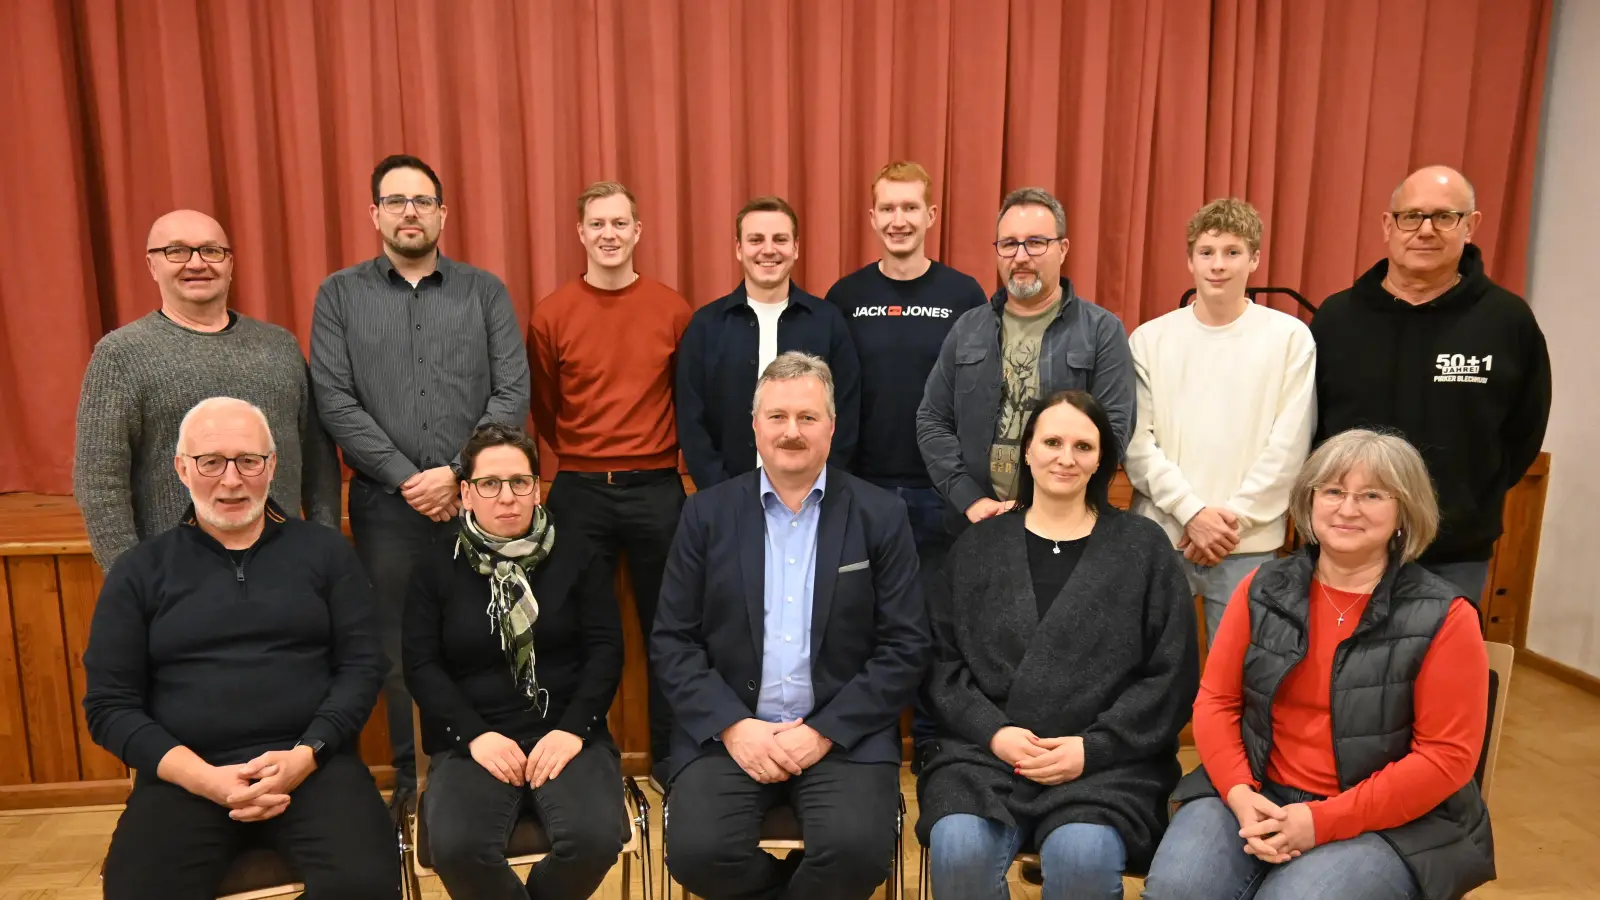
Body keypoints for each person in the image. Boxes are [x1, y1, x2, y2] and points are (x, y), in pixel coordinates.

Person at [1142, 429, 1494, 900]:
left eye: (1371, 495)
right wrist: (1240, 794)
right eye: (1333, 492)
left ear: (1403, 514)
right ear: (1310, 504)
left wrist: (1321, 821)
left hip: (1391, 822)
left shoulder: (1444, 614)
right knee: (1177, 889)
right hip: (1255, 790)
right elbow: (1216, 702)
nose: (1348, 509)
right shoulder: (1262, 587)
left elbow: (1445, 759)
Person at [83, 397, 395, 900]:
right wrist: (205, 778)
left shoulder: (326, 553)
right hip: (186, 776)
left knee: (365, 886)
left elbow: (362, 668)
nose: (231, 480)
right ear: (182, 468)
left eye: (248, 461)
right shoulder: (139, 571)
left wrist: (306, 754)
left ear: (271, 466)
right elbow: (109, 706)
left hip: (314, 766)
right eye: (211, 462)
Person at [654, 352, 930, 900]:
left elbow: (905, 644)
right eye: (777, 417)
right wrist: (735, 726)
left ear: (832, 426)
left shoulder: (880, 515)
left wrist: (823, 730)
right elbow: (672, 640)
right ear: (755, 426)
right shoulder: (705, 514)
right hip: (730, 734)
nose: (792, 432)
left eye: (807, 417)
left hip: (841, 735)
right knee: (699, 853)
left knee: (857, 853)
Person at [919, 390, 1199, 899]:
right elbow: (942, 663)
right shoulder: (978, 546)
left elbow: (1170, 673)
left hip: (1106, 767)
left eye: (1083, 446)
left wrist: (1093, 748)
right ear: (1027, 450)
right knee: (958, 848)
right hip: (985, 757)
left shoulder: (1143, 548)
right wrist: (996, 733)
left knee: (1082, 858)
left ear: (1102, 461)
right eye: (1051, 441)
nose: (1065, 458)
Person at [311, 153, 532, 797]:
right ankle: (420, 782)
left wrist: (459, 478)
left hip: (482, 503)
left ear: (441, 214)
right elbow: (334, 399)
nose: (411, 212)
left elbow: (510, 391)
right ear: (375, 212)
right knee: (405, 651)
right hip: (389, 507)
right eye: (397, 200)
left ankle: (502, 766)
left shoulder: (484, 291)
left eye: (423, 201)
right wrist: (413, 478)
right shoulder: (340, 295)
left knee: (493, 633)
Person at [1311, 165, 1550, 607]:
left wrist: (1469, 500)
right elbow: (1310, 428)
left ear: (1470, 226)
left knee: (1439, 675)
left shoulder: (1507, 321)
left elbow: (1524, 432)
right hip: (1346, 547)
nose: (1425, 230)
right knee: (1339, 674)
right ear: (1388, 225)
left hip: (1454, 555)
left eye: (1444, 217)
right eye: (1411, 216)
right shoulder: (1336, 318)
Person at [403, 423, 626, 899]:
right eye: (489, 484)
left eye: (520, 482)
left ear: (537, 489)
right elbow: (421, 665)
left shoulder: (578, 554)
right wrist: (476, 736)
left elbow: (606, 651)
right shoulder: (435, 566)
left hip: (567, 732)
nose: (507, 497)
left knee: (595, 837)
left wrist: (572, 731)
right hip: (474, 738)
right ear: (465, 493)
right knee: (457, 846)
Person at [529, 181, 693, 787]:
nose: (608, 234)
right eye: (597, 223)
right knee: (576, 629)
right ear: (580, 233)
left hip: (656, 486)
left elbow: (684, 394)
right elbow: (545, 407)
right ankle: (582, 760)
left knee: (671, 629)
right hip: (578, 488)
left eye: (620, 223)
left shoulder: (673, 309)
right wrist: (579, 453)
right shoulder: (551, 313)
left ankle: (674, 761)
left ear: (637, 231)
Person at [73, 209, 341, 570]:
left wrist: (324, 551)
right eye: (177, 251)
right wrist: (131, 581)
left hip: (285, 569)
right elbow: (100, 483)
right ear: (152, 266)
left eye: (211, 251)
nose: (197, 263)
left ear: (230, 263)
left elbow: (318, 462)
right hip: (177, 577)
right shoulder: (120, 356)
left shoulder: (280, 346)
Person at [1124, 199, 1316, 645]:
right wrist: (1192, 513)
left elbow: (1289, 446)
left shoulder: (1289, 338)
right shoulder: (1150, 339)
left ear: (1255, 259)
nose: (1218, 265)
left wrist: (1228, 522)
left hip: (1245, 544)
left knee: (1240, 683)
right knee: (1155, 677)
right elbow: (1136, 443)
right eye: (1207, 252)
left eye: (1233, 252)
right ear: (1189, 259)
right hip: (1165, 538)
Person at [918, 186, 1134, 534]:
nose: (1021, 256)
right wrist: (969, 499)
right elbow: (932, 419)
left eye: (1036, 242)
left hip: (1066, 528)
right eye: (1009, 244)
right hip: (975, 525)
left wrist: (1051, 506)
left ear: (1062, 249)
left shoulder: (1101, 331)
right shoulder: (968, 328)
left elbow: (1115, 430)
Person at [677, 196, 862, 490]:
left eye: (779, 239)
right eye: (755, 239)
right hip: (725, 498)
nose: (768, 250)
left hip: (814, 498)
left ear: (795, 248)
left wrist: (819, 489)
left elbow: (847, 414)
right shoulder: (706, 325)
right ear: (739, 249)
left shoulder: (827, 321)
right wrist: (720, 493)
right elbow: (690, 419)